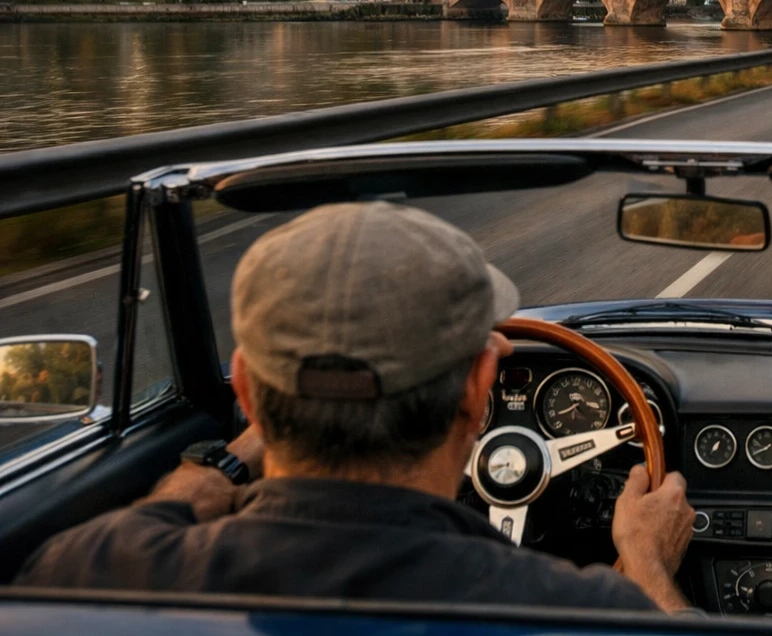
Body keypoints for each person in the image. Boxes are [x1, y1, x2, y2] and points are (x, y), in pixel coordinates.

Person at [17, 202, 695, 613]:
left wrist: (236, 454)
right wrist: (646, 566)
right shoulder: (575, 609)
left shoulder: (90, 573)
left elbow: (146, 529)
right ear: (477, 389)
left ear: (247, 390)